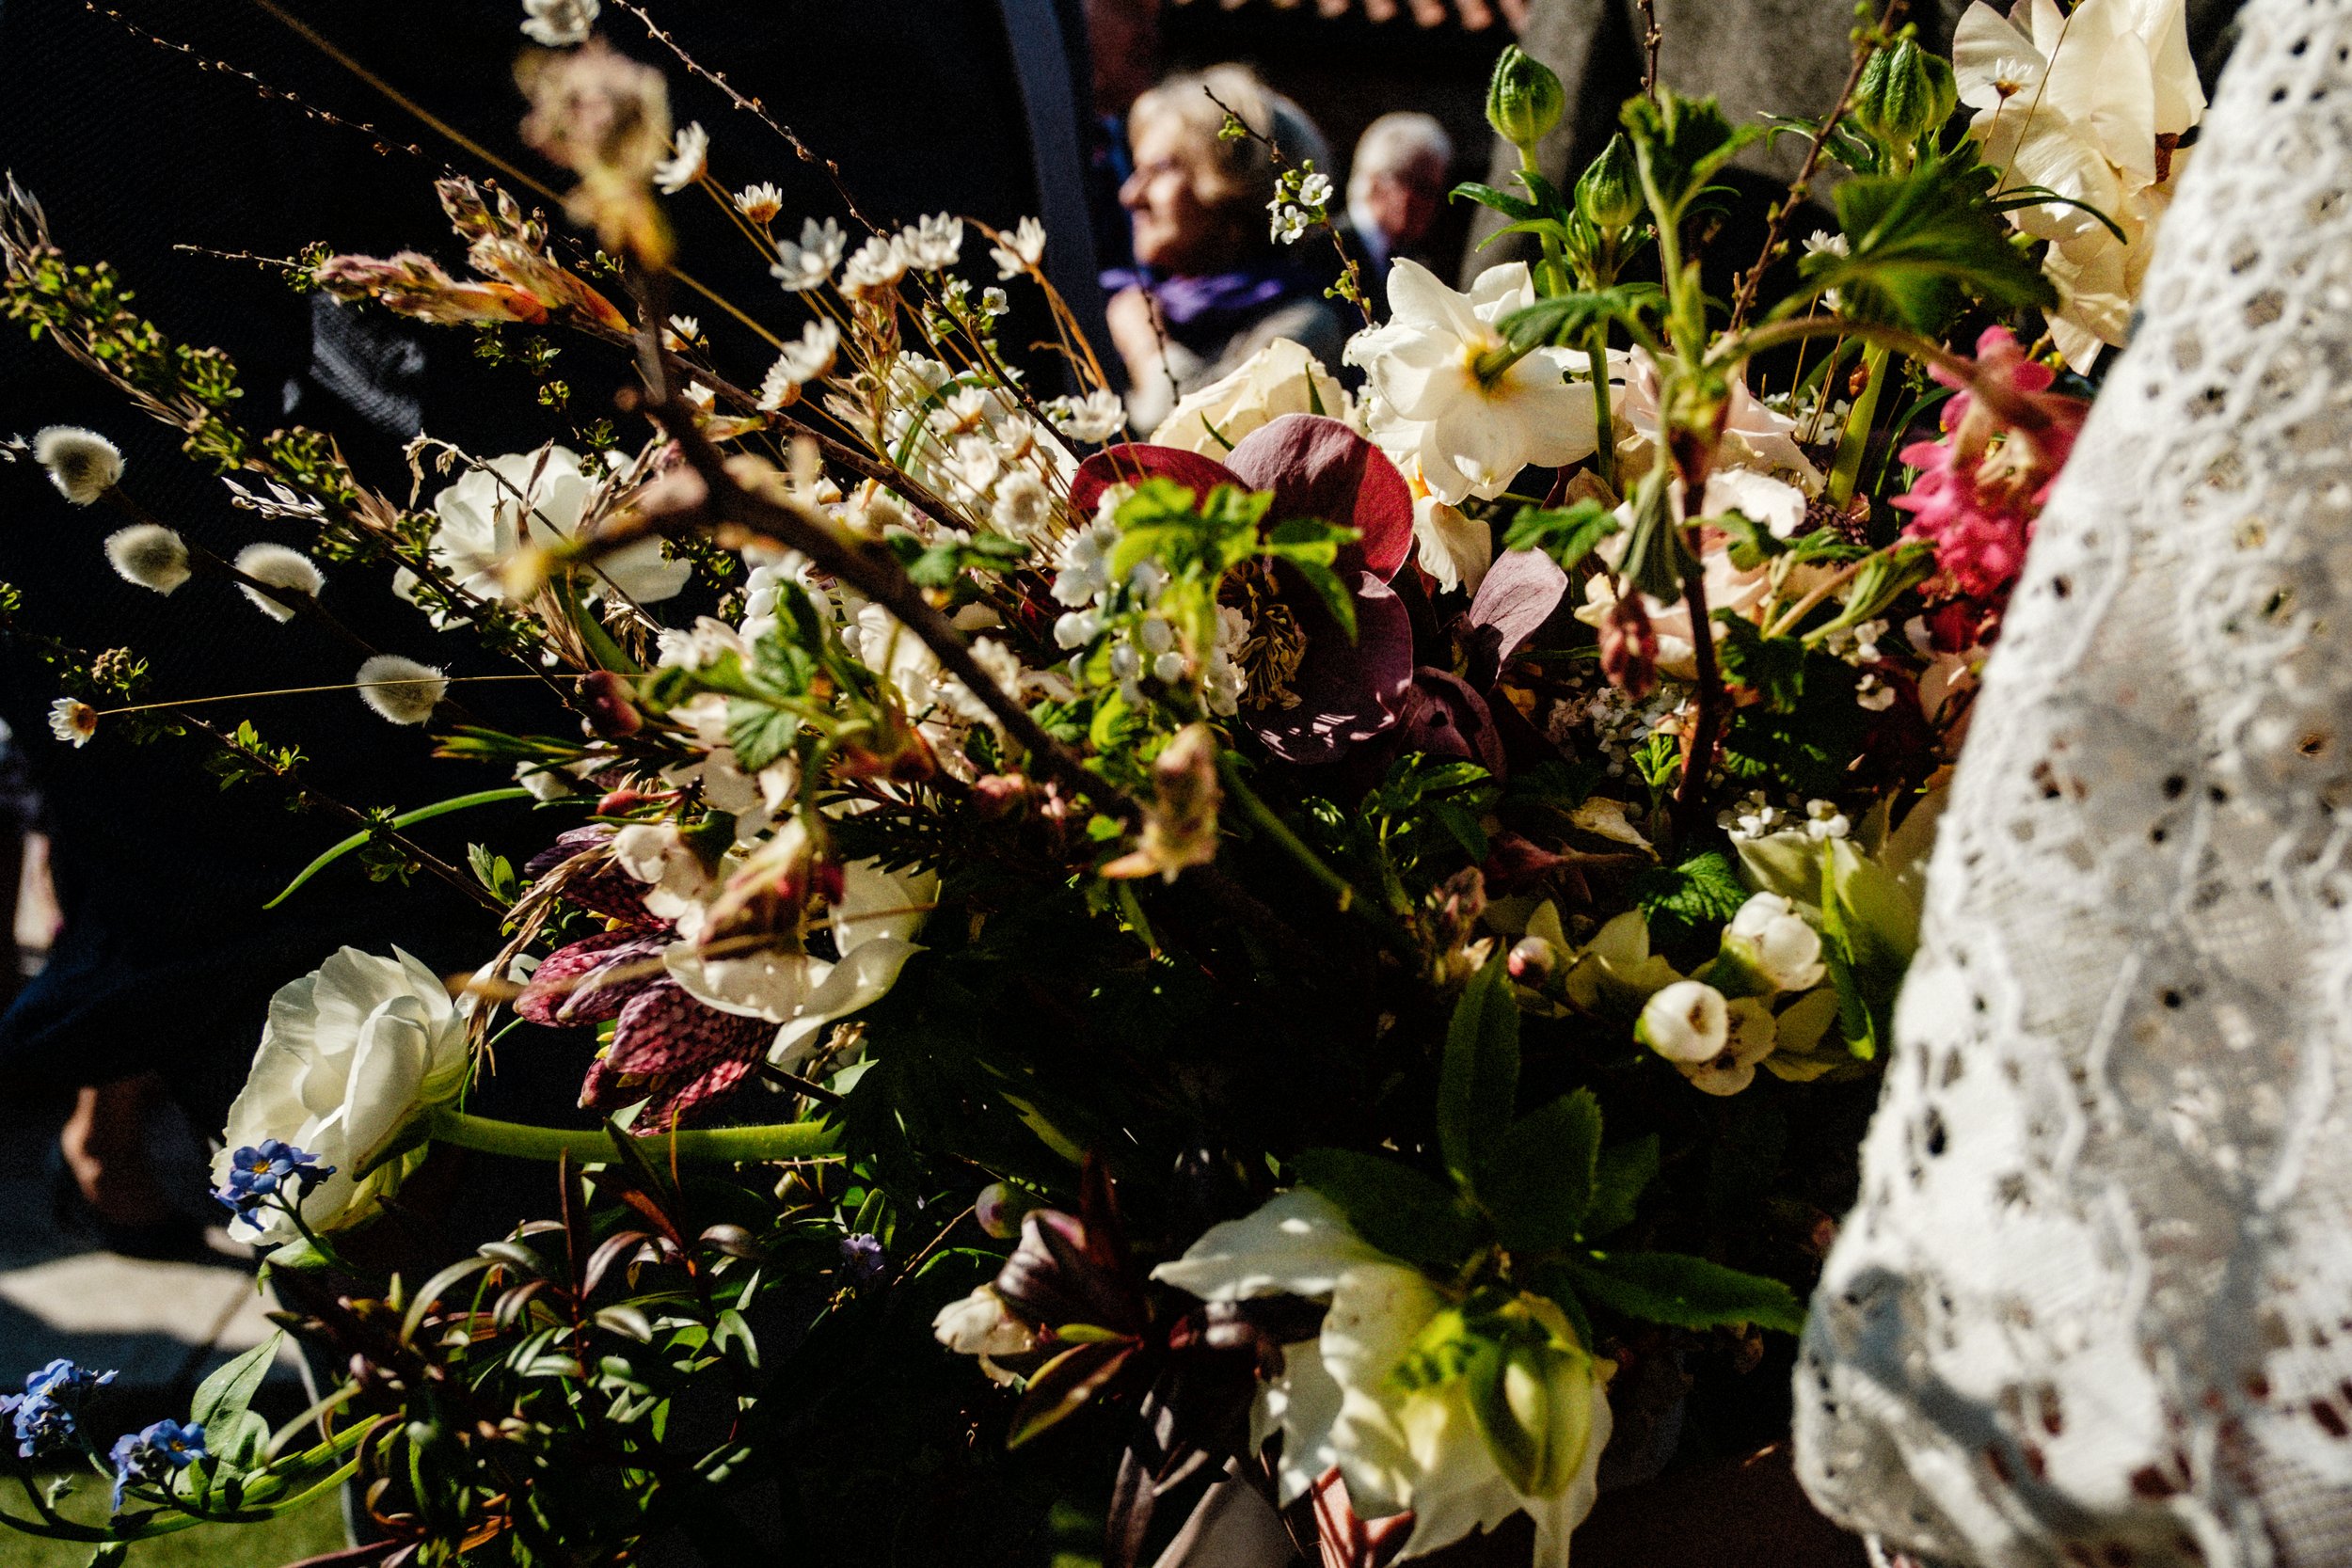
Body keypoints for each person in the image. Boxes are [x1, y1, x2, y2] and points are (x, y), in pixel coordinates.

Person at [1104, 65, 1352, 434]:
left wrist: (1147, 350)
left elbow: (1197, 444)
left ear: (1235, 187)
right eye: (1135, 171)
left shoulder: (1301, 331)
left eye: (1159, 170)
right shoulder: (1142, 303)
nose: (1130, 196)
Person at [1346, 110, 1456, 301]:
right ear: (1378, 179)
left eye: (1435, 192)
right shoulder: (1326, 249)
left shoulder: (1415, 260)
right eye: (1422, 188)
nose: (1430, 204)